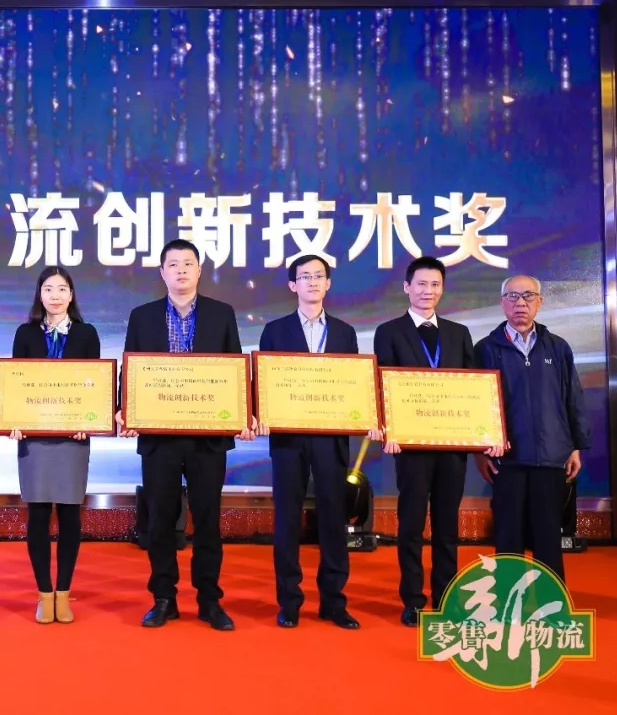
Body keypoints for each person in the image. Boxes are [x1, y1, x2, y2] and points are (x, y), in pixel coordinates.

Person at [116, 239, 255, 632]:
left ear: (199, 270)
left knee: (207, 520)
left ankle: (210, 600)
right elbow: (131, 369)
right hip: (159, 437)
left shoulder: (221, 313)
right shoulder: (142, 316)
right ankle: (164, 598)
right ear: (162, 272)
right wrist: (126, 408)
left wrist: (242, 412)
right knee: (160, 520)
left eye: (188, 263)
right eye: (173, 264)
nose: (181, 270)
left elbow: (234, 369)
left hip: (207, 438)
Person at [373, 256, 504, 626]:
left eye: (434, 285)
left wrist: (485, 435)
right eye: (421, 284)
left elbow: (474, 389)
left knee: (447, 526)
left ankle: (447, 597)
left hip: (451, 447)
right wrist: (390, 430)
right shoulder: (389, 331)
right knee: (411, 525)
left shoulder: (458, 333)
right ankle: (413, 600)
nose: (427, 291)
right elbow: (382, 384)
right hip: (410, 447)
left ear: (442, 289)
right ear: (407, 287)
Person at [256, 254, 382, 630]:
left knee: (333, 518)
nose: (312, 282)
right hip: (288, 439)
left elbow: (354, 383)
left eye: (319, 276)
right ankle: (289, 602)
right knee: (287, 519)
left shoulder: (344, 332)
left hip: (331, 438)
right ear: (292, 285)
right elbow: (264, 381)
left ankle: (333, 602)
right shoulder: (275, 330)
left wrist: (367, 416)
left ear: (328, 284)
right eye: (304, 276)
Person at [472, 275, 590, 584]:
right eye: (512, 296)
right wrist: (478, 451)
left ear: (540, 301)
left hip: (551, 455)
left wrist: (575, 446)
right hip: (506, 459)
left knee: (548, 536)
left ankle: (551, 601)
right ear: (502, 303)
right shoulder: (485, 349)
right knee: (508, 536)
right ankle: (508, 600)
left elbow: (572, 397)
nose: (520, 303)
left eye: (528, 296)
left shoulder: (558, 347)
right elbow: (474, 404)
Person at [9, 266, 100, 624]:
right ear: (40, 294)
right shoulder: (25, 333)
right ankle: (44, 594)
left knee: (69, 515)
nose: (56, 295)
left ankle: (64, 592)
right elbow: (16, 382)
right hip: (34, 438)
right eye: (48, 289)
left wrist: (88, 421)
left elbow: (95, 383)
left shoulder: (87, 334)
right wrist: (13, 418)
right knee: (38, 514)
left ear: (71, 295)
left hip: (72, 438)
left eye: (62, 289)